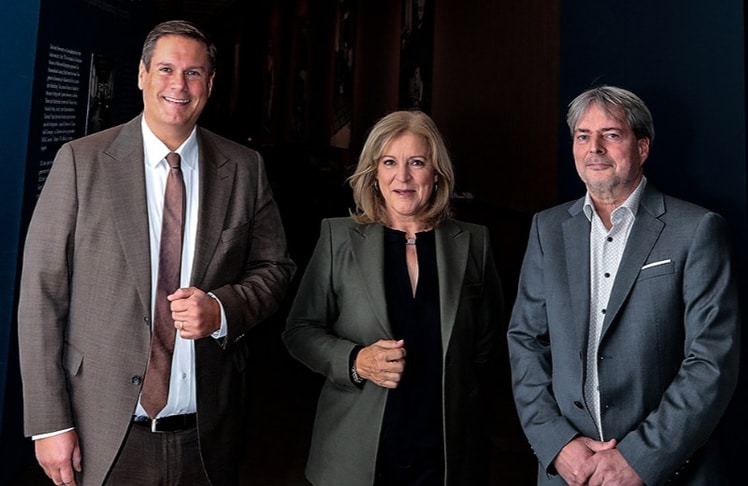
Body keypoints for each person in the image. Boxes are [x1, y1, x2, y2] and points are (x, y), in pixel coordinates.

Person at [18, 20, 296, 486]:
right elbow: (41, 296)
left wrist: (223, 309)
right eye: (166, 69)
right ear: (143, 75)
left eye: (194, 72)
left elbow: (276, 268)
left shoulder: (244, 169)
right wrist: (50, 422)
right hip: (102, 433)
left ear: (210, 83)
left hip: (206, 436)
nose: (179, 85)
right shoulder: (81, 162)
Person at [507, 85, 740, 485]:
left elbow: (711, 361)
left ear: (642, 148)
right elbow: (526, 342)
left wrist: (639, 459)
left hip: (665, 472)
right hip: (569, 472)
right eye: (583, 136)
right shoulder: (547, 229)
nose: (594, 147)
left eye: (611, 135)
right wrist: (557, 444)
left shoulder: (697, 229)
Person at [283, 110, 503, 485]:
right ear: (374, 172)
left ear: (436, 173)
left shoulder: (473, 242)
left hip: (445, 452)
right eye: (389, 162)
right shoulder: (338, 237)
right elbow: (300, 331)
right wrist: (355, 360)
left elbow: (488, 346)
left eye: (416, 162)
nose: (402, 177)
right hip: (357, 449)